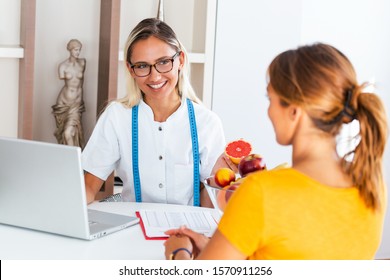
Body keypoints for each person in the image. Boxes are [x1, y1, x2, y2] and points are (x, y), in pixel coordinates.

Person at [164, 43, 388, 260]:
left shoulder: (261, 192)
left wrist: (179, 253)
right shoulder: (370, 184)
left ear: (294, 112)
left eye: (271, 98)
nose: (269, 110)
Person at [81, 18, 225, 205]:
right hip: (132, 227)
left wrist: (221, 183)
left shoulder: (206, 123)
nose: (155, 76)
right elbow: (89, 186)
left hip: (186, 230)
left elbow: (210, 200)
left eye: (163, 62)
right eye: (142, 66)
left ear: (180, 60)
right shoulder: (117, 117)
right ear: (130, 69)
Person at [52, 39, 86, 148]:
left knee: (70, 133)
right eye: (76, 50)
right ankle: (70, 158)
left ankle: (74, 158)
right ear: (70, 50)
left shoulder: (83, 63)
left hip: (76, 104)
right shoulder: (63, 66)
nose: (78, 52)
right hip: (63, 104)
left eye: (79, 50)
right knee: (65, 133)